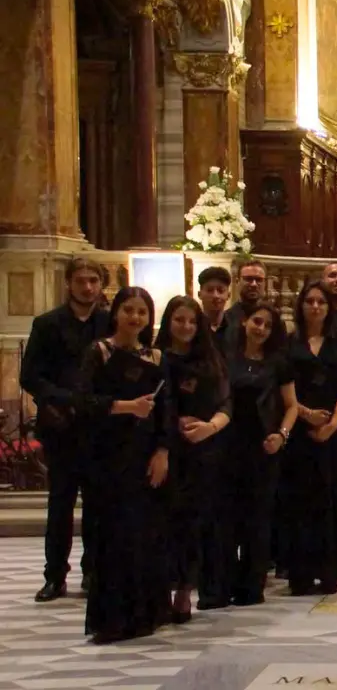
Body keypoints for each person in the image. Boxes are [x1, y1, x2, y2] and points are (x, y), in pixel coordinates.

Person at [75, 287, 170, 644]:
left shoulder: (156, 357)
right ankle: (112, 619)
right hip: (107, 456)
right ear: (116, 312)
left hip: (144, 456)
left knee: (144, 536)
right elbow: (83, 401)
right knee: (112, 536)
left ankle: (145, 615)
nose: (135, 317)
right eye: (129, 310)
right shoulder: (99, 352)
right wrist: (127, 407)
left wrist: (163, 452)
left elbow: (166, 412)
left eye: (142, 312)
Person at [20, 258, 110, 602]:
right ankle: (54, 576)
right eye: (81, 280)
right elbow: (31, 375)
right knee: (60, 504)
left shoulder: (108, 323)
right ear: (69, 283)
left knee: (98, 505)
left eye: (93, 281)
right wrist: (63, 399)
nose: (87, 287)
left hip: (98, 426)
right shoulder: (47, 324)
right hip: (61, 424)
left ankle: (93, 571)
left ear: (101, 284)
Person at [155, 296, 230, 622]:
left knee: (193, 523)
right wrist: (173, 425)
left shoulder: (210, 360)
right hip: (164, 450)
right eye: (179, 320)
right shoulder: (156, 358)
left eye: (191, 321)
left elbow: (226, 404)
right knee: (163, 524)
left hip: (203, 450)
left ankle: (186, 591)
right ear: (168, 322)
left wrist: (209, 427)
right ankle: (160, 592)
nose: (185, 327)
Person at [280, 281, 337, 595]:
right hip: (298, 430)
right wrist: (306, 414)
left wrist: (332, 424)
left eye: (321, 302)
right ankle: (300, 572)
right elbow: (281, 386)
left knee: (331, 498)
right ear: (301, 306)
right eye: (310, 301)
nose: (315, 307)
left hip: (334, 432)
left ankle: (329, 570)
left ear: (329, 307)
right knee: (300, 501)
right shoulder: (289, 342)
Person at [222, 303, 298, 606]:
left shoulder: (278, 363)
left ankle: (253, 585)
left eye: (267, 325)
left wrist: (282, 435)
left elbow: (292, 405)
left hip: (264, 446)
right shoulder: (226, 358)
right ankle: (225, 581)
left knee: (258, 519)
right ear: (244, 322)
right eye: (257, 322)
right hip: (229, 445)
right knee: (228, 517)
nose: (261, 329)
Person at [219, 260, 268, 352]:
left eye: (259, 280)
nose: (254, 284)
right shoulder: (225, 320)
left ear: (265, 283)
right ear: (237, 281)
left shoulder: (274, 320)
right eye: (248, 279)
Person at [196, 266, 232, 347]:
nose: (215, 295)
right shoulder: (193, 327)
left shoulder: (236, 329)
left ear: (228, 295)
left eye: (220, 290)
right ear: (199, 294)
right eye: (210, 290)